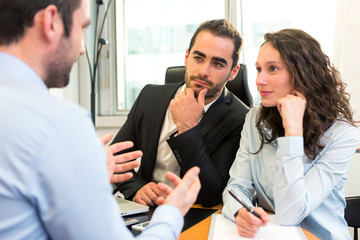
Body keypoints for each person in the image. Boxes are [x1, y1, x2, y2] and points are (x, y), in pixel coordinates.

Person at [0, 0, 201, 239]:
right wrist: (171, 213)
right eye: (83, 27)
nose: (82, 48)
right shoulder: (59, 125)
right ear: (51, 21)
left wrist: (85, 178)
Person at [222, 28, 359, 240]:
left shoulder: (342, 134)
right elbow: (237, 186)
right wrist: (241, 211)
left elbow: (289, 214)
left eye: (273, 69)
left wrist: (292, 133)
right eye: (259, 69)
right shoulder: (255, 119)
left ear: (303, 73)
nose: (260, 80)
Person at [111, 19, 249, 207]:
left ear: (233, 72)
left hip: (195, 213)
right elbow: (115, 160)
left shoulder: (240, 119)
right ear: (186, 57)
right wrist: (136, 188)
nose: (203, 71)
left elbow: (211, 194)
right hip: (145, 210)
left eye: (217, 64)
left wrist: (188, 128)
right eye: (198, 58)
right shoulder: (149, 97)